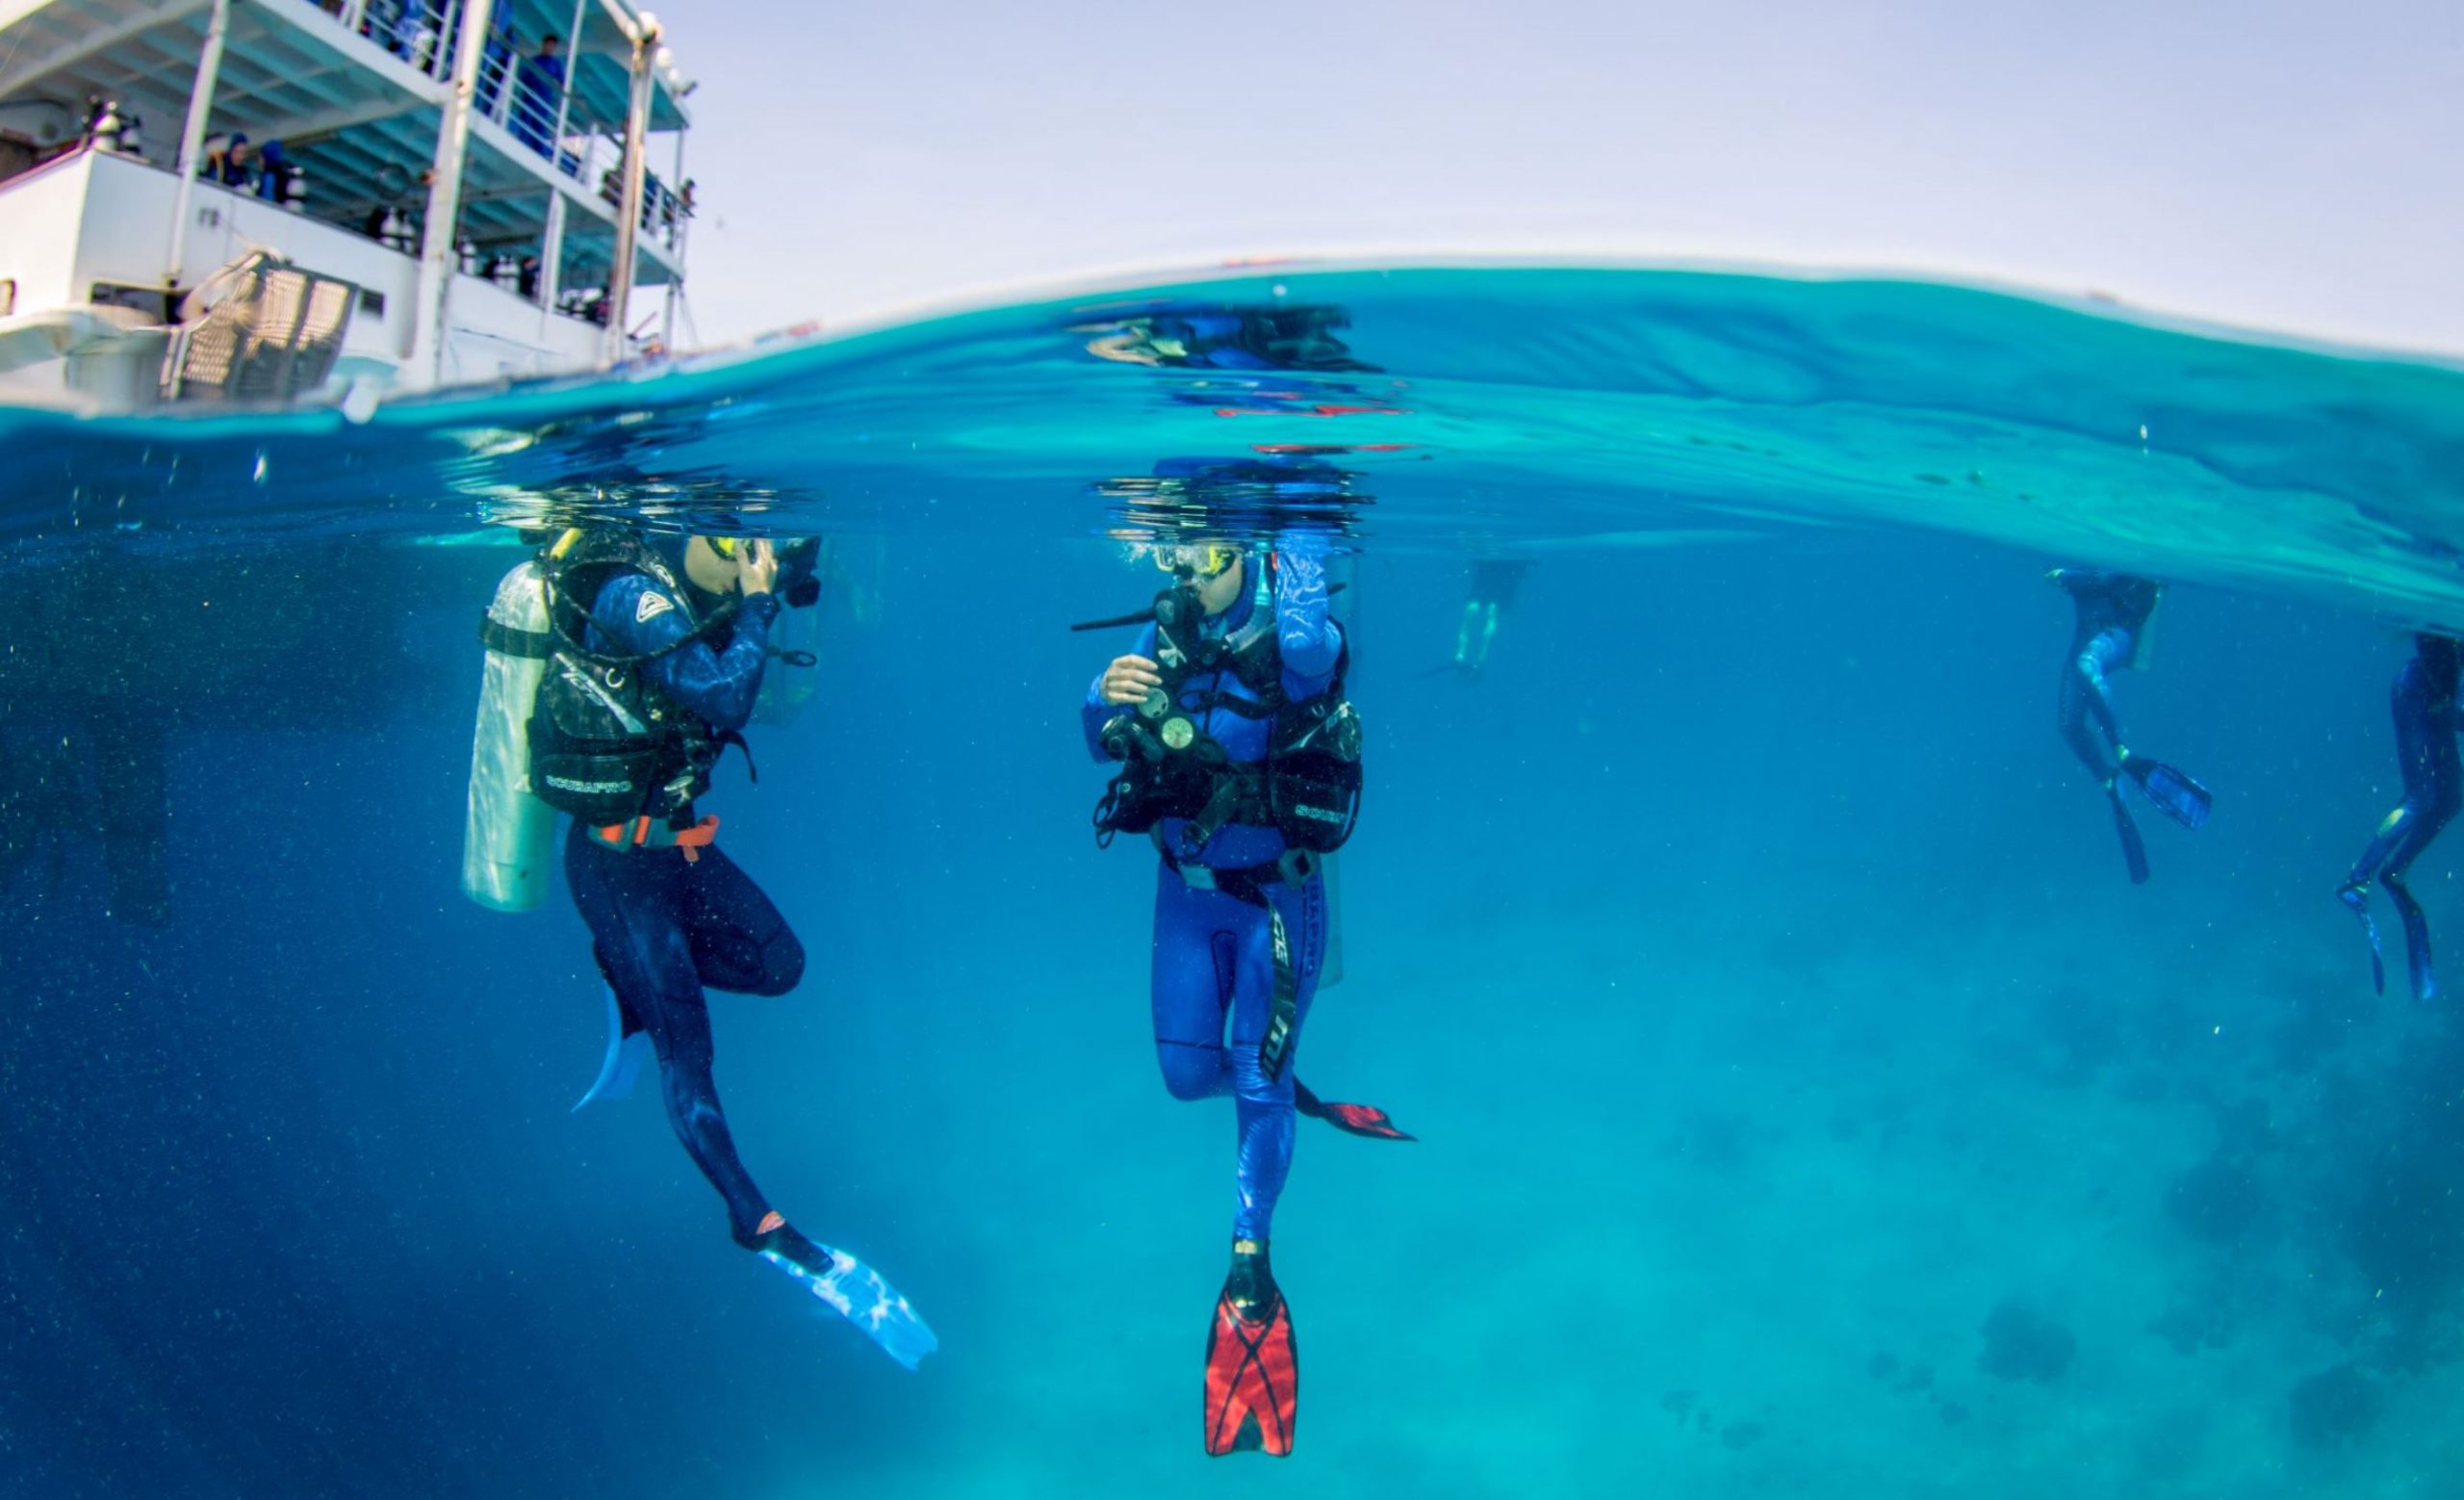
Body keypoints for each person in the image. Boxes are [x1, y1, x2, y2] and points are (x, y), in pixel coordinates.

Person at [535, 529, 935, 1369]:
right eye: (739, 539)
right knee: (690, 1050)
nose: (755, 552)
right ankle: (755, 1219)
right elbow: (720, 699)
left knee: (779, 965)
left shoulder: (699, 595)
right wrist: (755, 601)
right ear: (695, 535)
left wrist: (778, 591)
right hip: (615, 863)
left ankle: (636, 976)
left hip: (678, 847)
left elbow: (769, 677)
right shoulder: (630, 596)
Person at [1081, 530, 1407, 1458]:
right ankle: (1293, 1083)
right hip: (1183, 897)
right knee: (1188, 1080)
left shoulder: (1295, 637)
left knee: (1252, 1086)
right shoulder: (1167, 634)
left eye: (1207, 553)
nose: (1187, 573)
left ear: (1249, 555)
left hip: (1273, 897)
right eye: (1174, 556)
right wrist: (1108, 696)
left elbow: (1310, 644)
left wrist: (1294, 536)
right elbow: (1090, 729)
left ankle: (1250, 1260)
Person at [2047, 567, 2212, 883]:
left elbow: (2104, 578)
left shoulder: (2125, 560)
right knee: (2068, 726)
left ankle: (2121, 750)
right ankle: (2108, 780)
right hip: (2085, 632)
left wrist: (2064, 577)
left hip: (2116, 633)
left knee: (2087, 665)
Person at [2340, 634, 2464, 1003]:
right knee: (2421, 795)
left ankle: (2395, 872)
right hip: (2414, 692)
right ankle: (2357, 879)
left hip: (2435, 696)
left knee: (2452, 799)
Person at [514, 34, 564, 153]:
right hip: (530, 96)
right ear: (544, 45)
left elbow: (562, 81)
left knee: (540, 125)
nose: (550, 48)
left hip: (544, 98)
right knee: (526, 120)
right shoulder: (534, 61)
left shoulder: (555, 64)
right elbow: (524, 76)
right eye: (549, 45)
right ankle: (522, 144)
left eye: (553, 46)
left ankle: (537, 151)